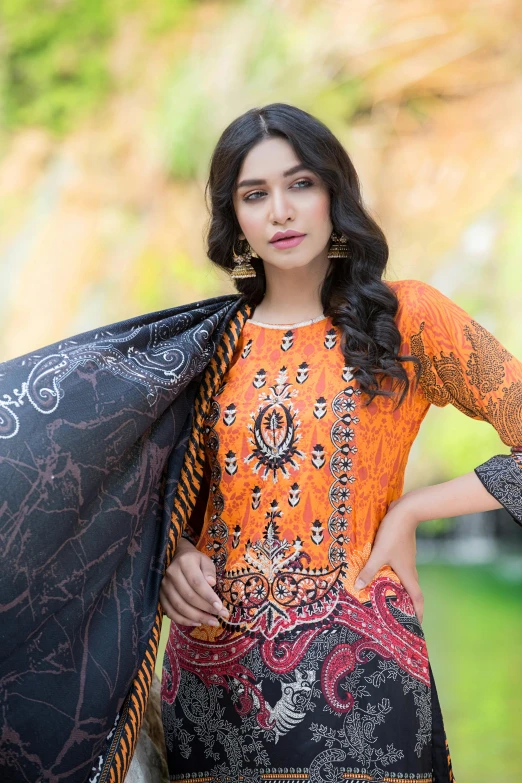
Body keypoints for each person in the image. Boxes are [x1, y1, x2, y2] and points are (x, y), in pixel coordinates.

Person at [158, 103, 522, 783]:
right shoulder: (202, 345)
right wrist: (172, 554)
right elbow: (143, 497)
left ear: (334, 192)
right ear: (232, 217)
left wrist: (411, 509)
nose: (281, 212)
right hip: (210, 701)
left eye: (300, 184)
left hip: (364, 694)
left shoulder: (406, 319)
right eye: (255, 194)